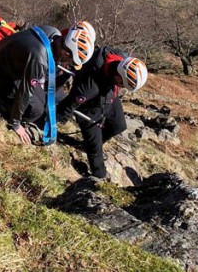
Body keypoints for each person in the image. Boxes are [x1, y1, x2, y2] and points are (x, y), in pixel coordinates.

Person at [0, 24, 95, 146]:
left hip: (7, 65)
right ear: (66, 52)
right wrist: (15, 123)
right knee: (36, 111)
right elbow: (26, 91)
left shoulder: (53, 32)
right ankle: (12, 115)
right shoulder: (39, 57)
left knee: (44, 101)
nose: (68, 63)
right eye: (70, 60)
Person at [57, 49, 147, 180]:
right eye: (123, 84)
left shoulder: (117, 58)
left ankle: (86, 145)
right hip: (88, 109)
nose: (123, 87)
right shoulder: (90, 87)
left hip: (108, 94)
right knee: (95, 149)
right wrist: (51, 123)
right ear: (118, 77)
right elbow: (68, 105)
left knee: (119, 126)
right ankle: (99, 176)